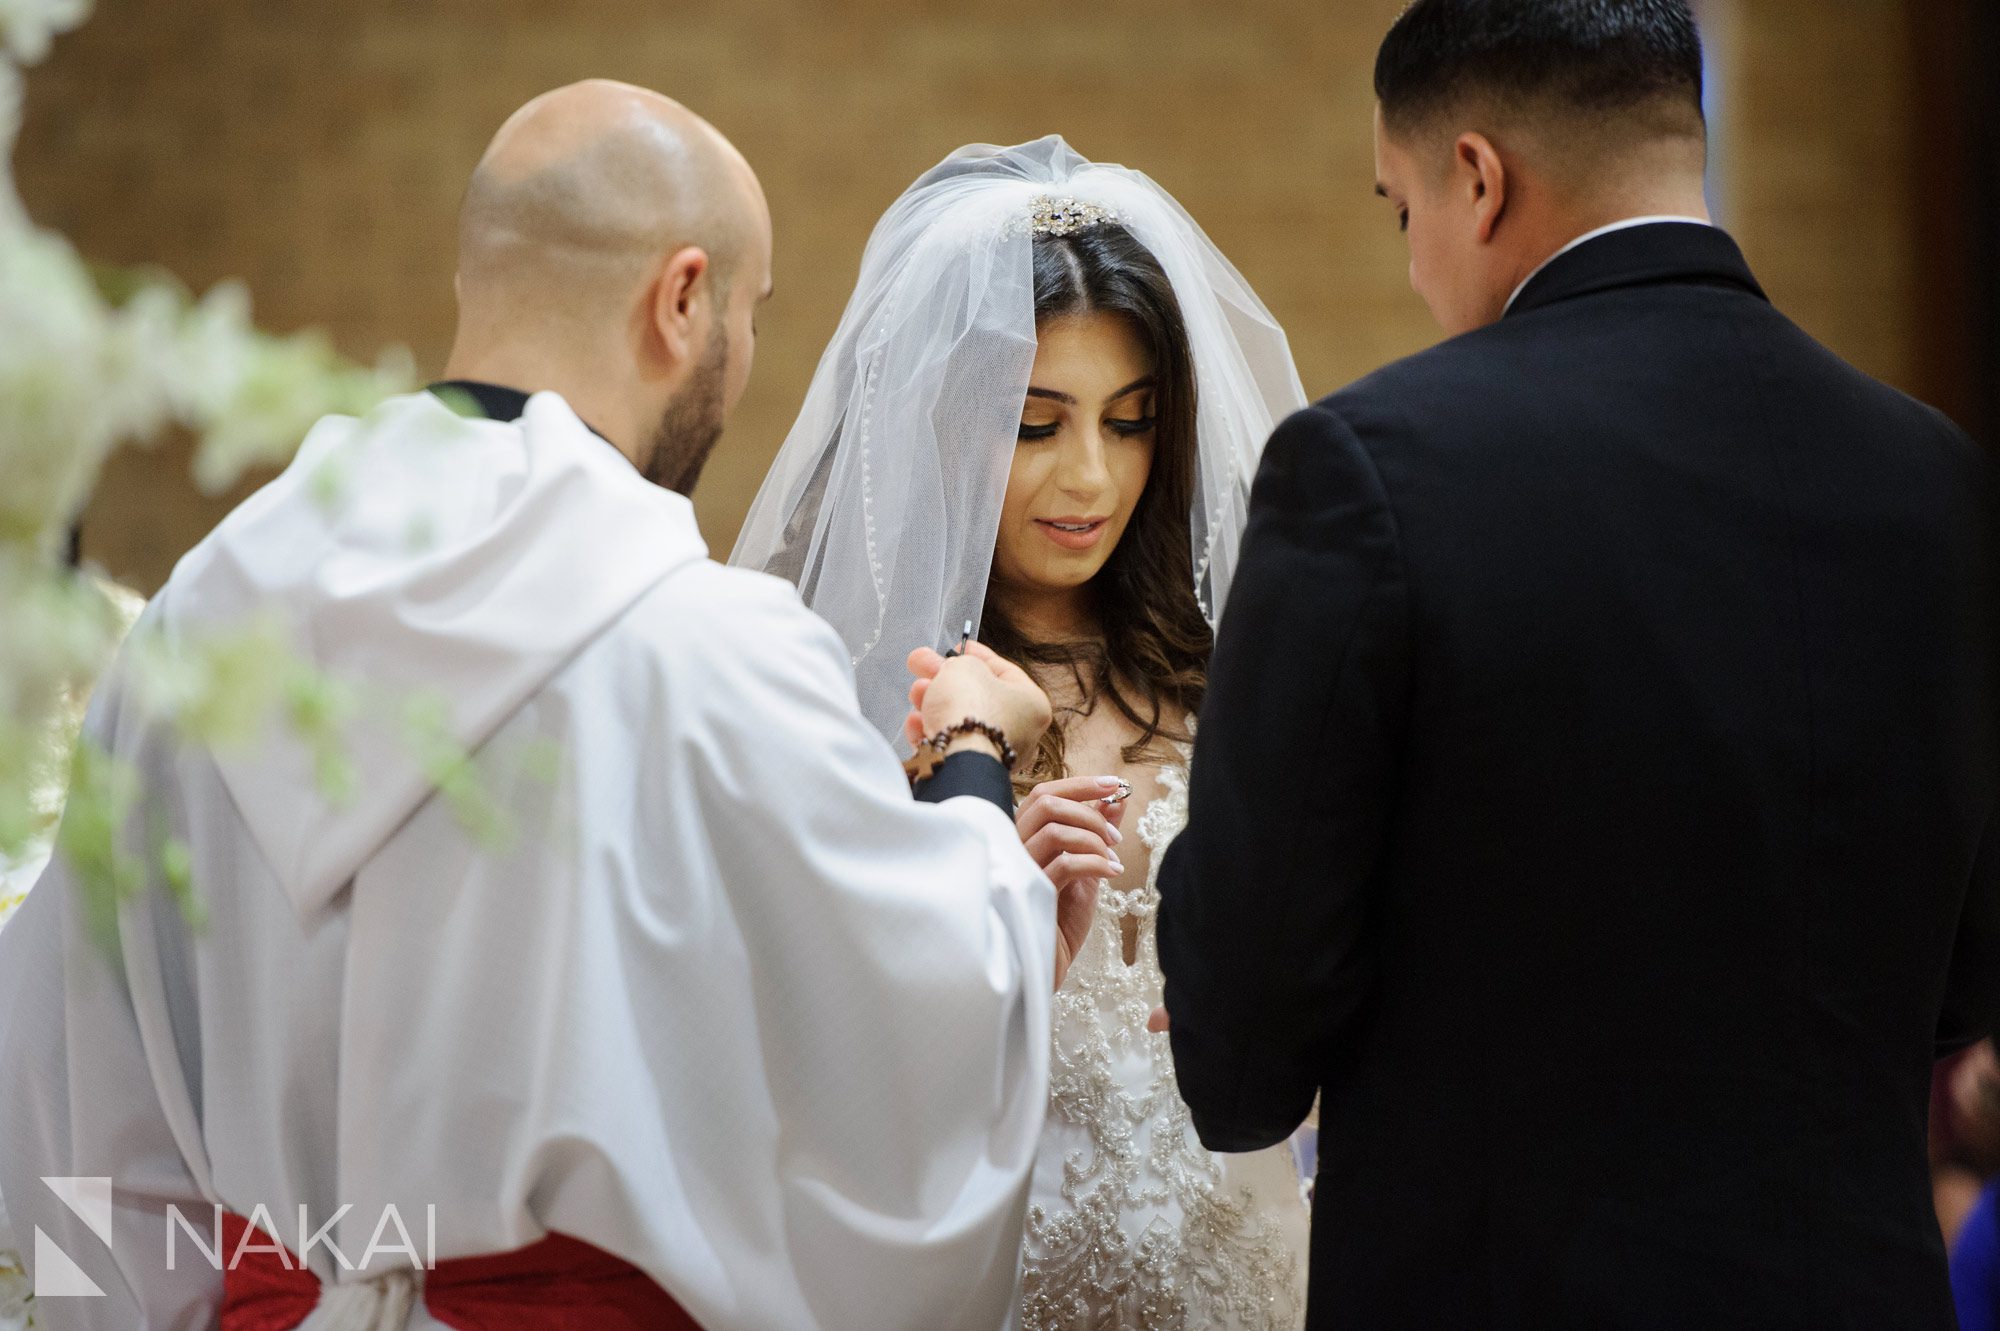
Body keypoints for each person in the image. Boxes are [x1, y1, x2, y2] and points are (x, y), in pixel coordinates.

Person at [0, 80, 1067, 1330]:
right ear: (680, 300)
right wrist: (974, 760)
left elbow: (69, 1098)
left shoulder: (199, 627)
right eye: (750, 313)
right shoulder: (702, 649)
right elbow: (916, 1049)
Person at [1153, 1, 2000, 1327]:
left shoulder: (1372, 470)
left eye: (1399, 209)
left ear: (1479, 179)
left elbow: (1243, 1048)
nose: (1417, 262)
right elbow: (1965, 971)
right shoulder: (1934, 480)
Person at [734, 137, 1312, 1330]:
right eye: (1036, 425)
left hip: (1246, 1263)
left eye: (1130, 419)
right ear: (946, 428)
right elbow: (789, 1058)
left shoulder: (1239, 670)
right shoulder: (844, 698)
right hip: (987, 1269)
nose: (1091, 477)